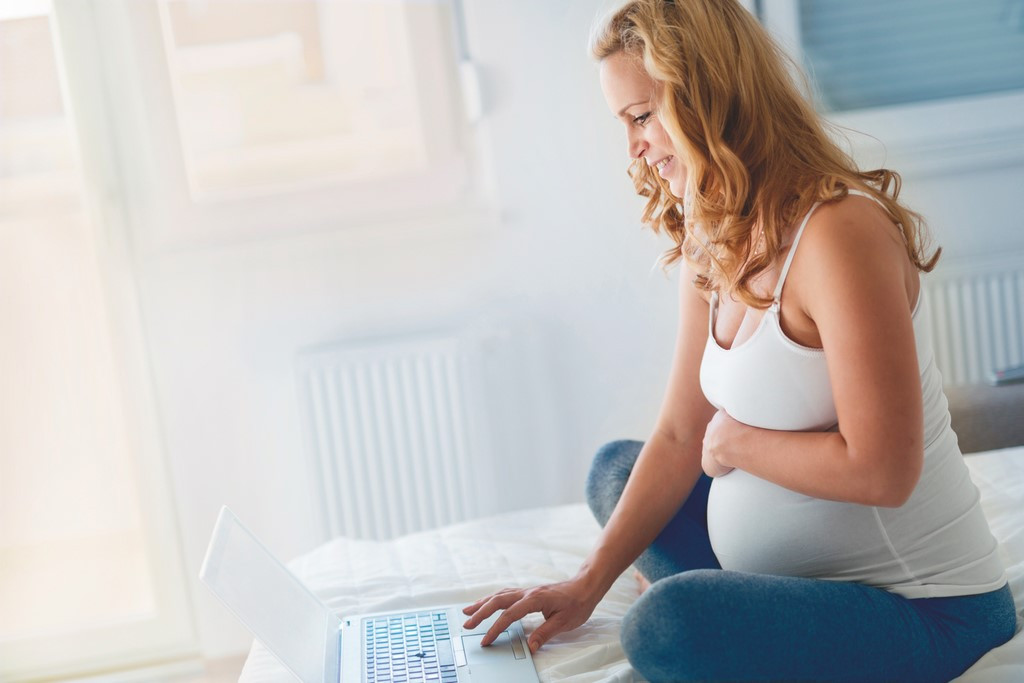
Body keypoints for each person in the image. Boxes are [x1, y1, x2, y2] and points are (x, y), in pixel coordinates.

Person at [461, 0, 1019, 681]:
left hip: (923, 609)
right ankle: (737, 611)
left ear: (708, 99)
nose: (633, 147)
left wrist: (734, 444)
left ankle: (722, 615)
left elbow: (884, 470)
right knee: (616, 470)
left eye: (642, 116)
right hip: (792, 578)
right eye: (624, 123)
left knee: (664, 624)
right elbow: (679, 434)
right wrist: (585, 584)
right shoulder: (714, 230)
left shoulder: (838, 234)